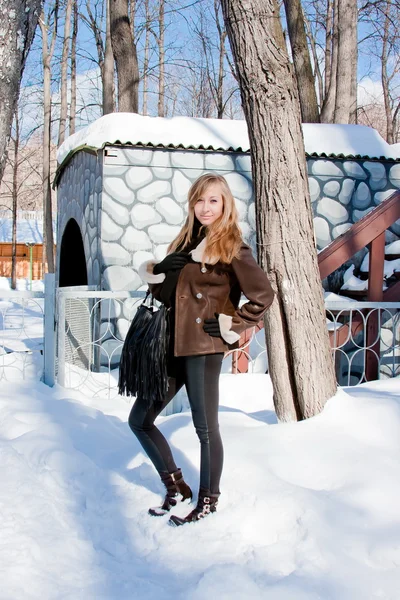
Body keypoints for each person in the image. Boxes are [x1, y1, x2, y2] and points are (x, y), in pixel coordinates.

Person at [129, 173, 275, 527]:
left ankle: (209, 498)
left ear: (225, 205)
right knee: (140, 420)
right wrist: (160, 271)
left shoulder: (232, 247)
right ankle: (175, 486)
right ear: (192, 204)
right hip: (171, 345)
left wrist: (231, 324)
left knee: (206, 429)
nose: (206, 207)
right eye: (200, 200)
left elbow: (263, 296)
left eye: (214, 200)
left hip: (203, 347)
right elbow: (165, 298)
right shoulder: (183, 244)